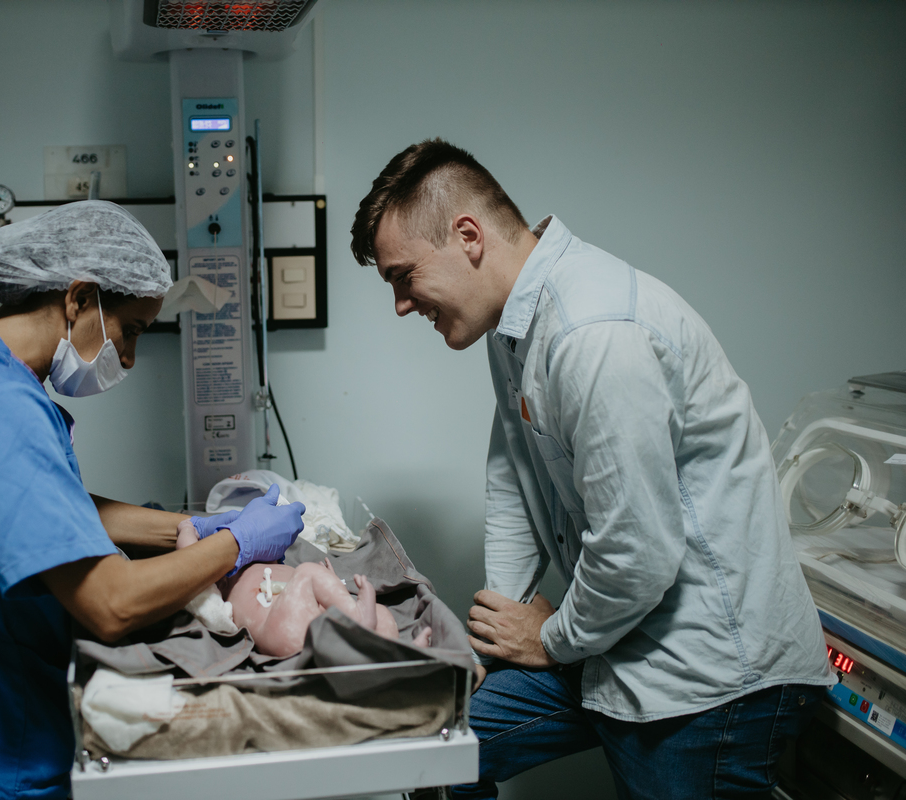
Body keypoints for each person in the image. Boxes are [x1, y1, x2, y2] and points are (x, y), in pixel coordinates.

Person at [349, 140, 834, 799]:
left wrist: (550, 639)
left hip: (706, 675)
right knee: (439, 749)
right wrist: (499, 633)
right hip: (615, 636)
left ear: (468, 236)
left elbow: (638, 553)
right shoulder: (515, 325)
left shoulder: (594, 332)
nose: (402, 304)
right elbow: (514, 474)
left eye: (403, 276)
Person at [0, 201, 306, 800]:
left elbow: (36, 504)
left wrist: (189, 526)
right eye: (131, 330)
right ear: (80, 298)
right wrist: (235, 544)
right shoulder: (1, 404)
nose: (130, 358)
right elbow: (110, 604)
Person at [175, 517, 432, 656]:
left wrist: (330, 583)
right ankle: (360, 620)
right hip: (279, 625)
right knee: (308, 573)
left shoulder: (273, 559)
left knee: (383, 615)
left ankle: (398, 656)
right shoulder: (221, 573)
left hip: (315, 622)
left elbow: (315, 592)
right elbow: (190, 560)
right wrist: (188, 528)